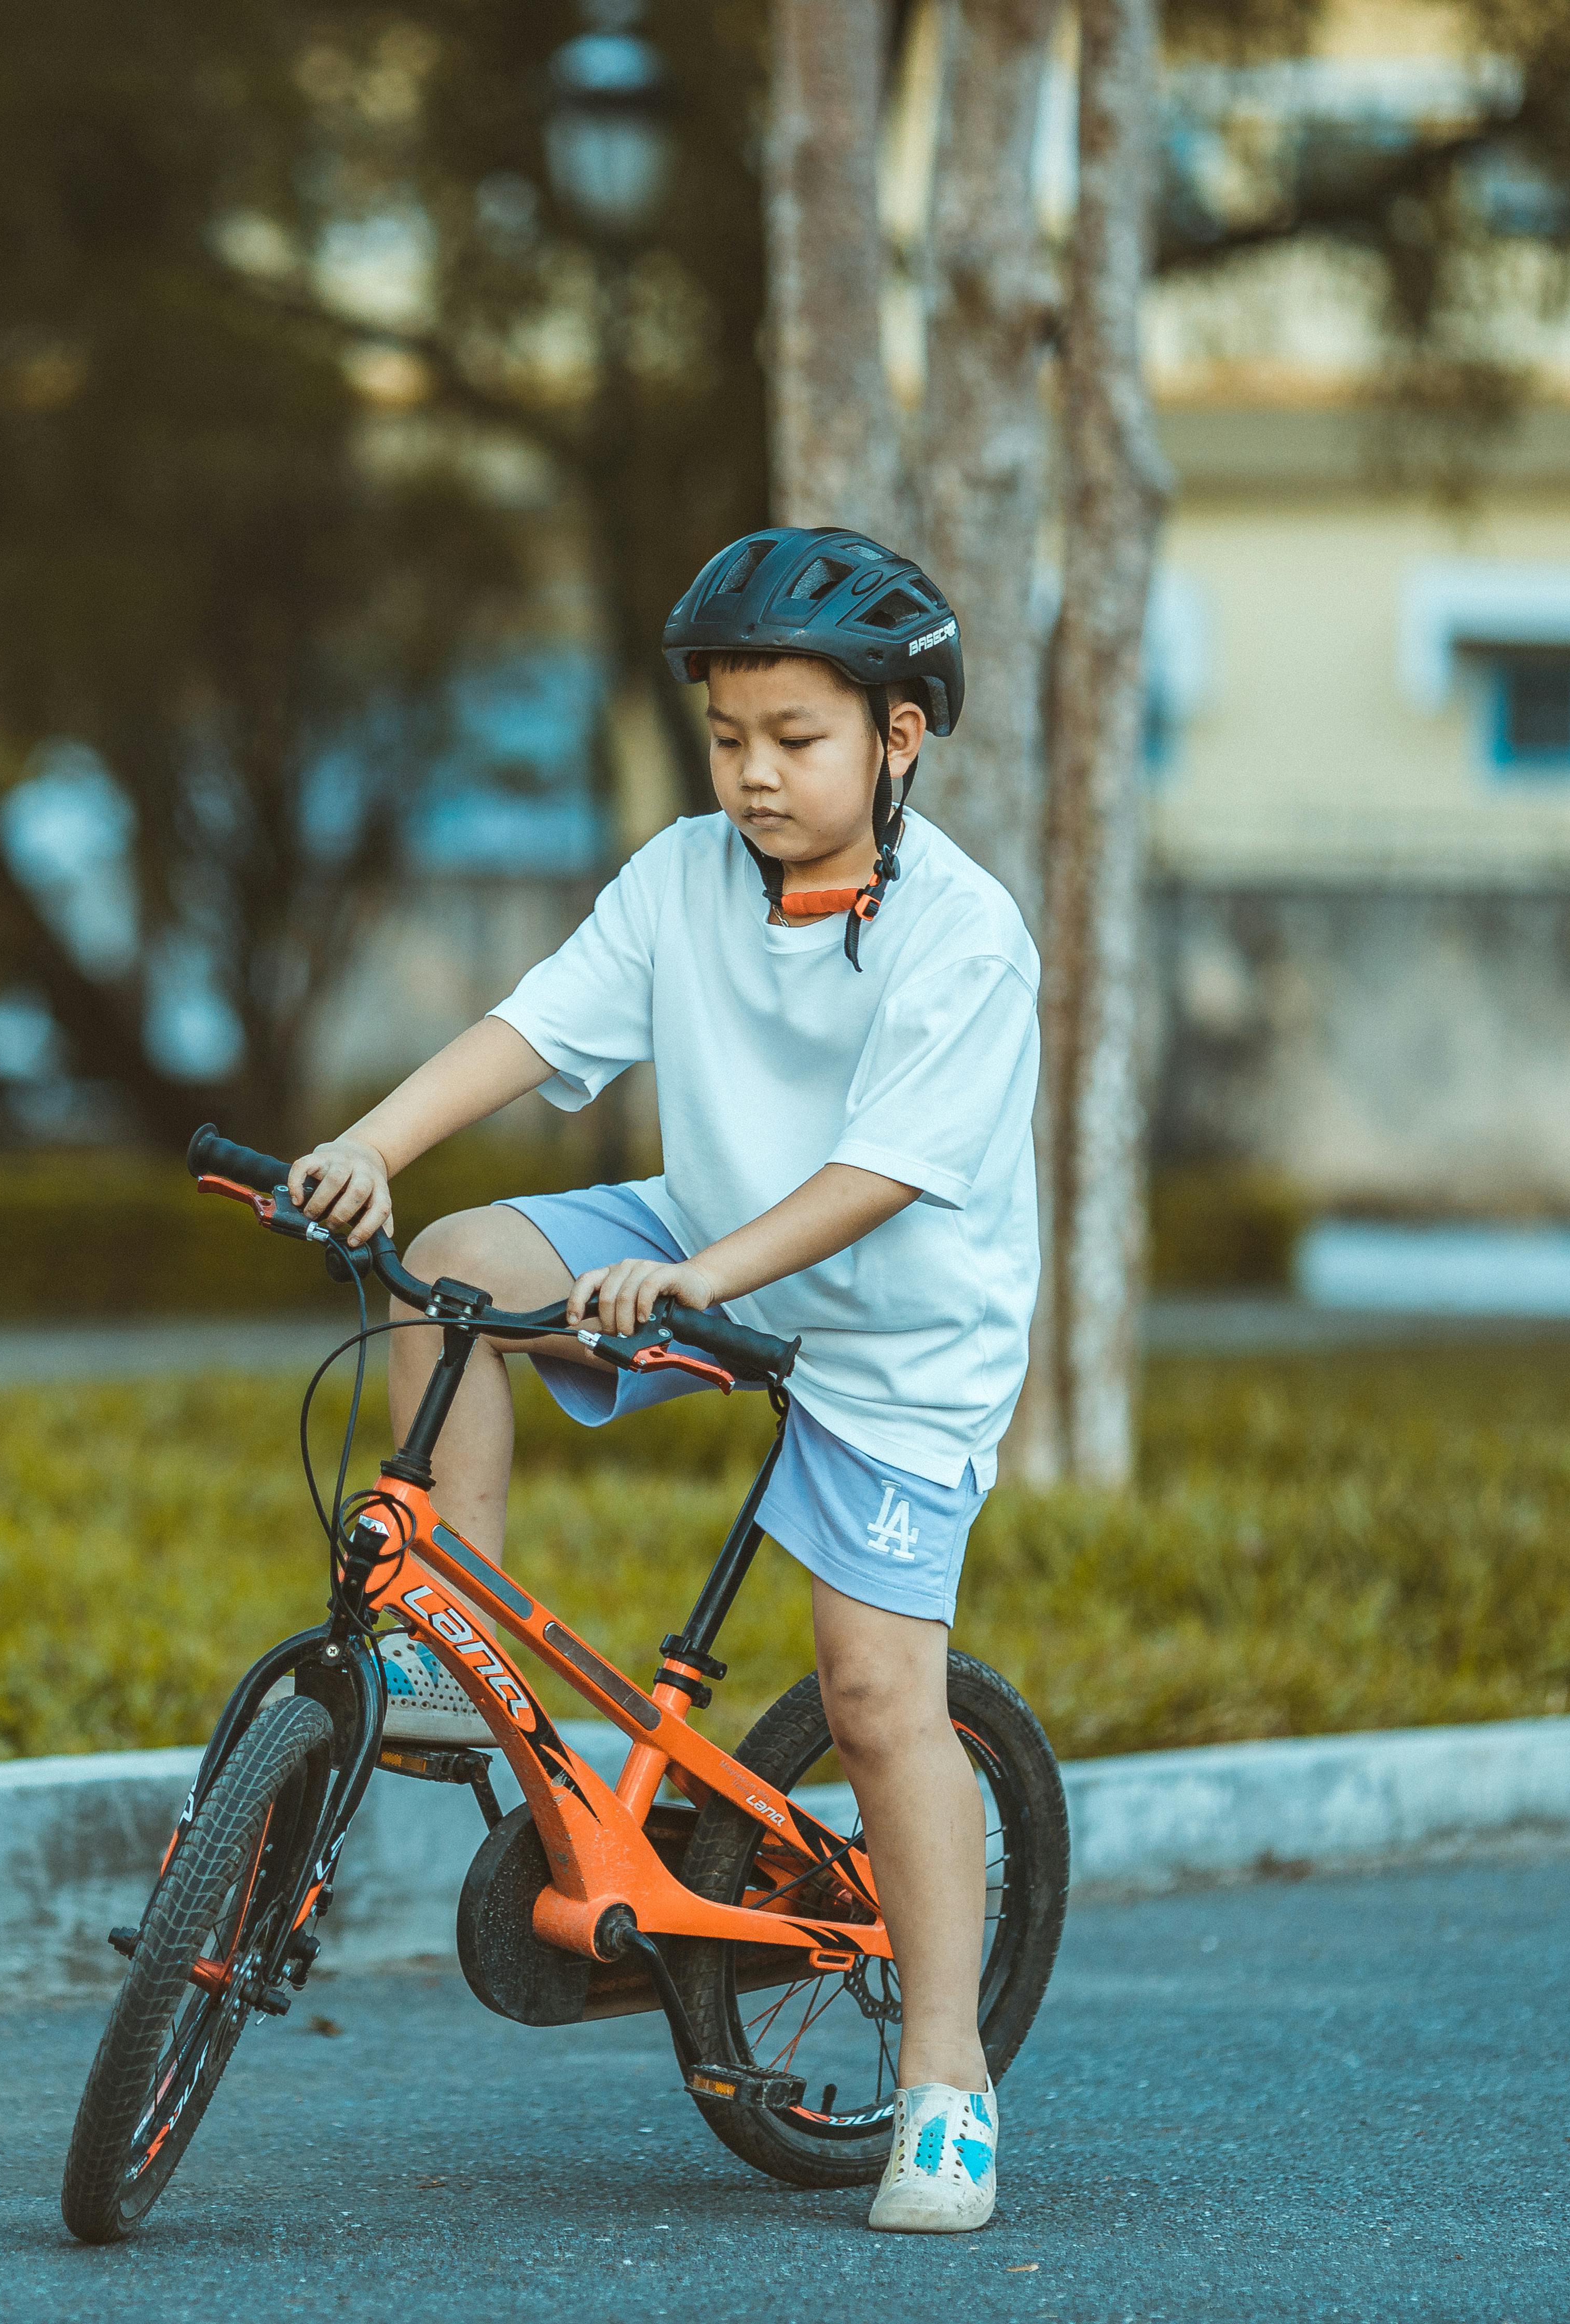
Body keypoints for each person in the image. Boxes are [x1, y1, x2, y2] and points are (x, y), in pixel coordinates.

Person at [286, 527, 1036, 2236]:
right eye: (729, 737)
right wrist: (372, 1144)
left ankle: (945, 2081)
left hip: (893, 1339)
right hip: (690, 1245)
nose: (756, 773)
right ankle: (442, 1643)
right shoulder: (684, 877)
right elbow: (537, 1028)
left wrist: (700, 1277)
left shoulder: (968, 940)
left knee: (872, 1698)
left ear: (899, 737)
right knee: (464, 1267)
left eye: (800, 737)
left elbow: (884, 1177)